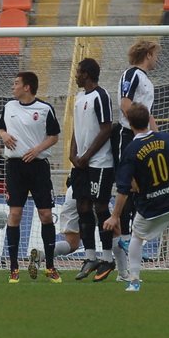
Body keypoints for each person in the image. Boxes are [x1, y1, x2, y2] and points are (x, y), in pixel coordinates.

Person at [103, 103, 169, 292]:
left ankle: (134, 281)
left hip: (150, 206)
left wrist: (115, 216)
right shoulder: (167, 139)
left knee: (137, 237)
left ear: (129, 122)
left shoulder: (131, 150)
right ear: (149, 120)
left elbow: (123, 189)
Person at [0, 71, 62, 283]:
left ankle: (50, 266)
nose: (12, 86)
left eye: (16, 83)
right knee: (15, 214)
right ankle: (14, 268)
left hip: (38, 167)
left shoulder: (44, 109)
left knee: (46, 215)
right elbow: (0, 128)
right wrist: (4, 135)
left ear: (27, 87)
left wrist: (37, 150)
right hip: (15, 167)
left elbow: (54, 136)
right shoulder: (8, 106)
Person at [68, 58, 126, 282]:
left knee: (100, 207)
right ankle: (90, 257)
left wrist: (87, 155)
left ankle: (108, 258)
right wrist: (73, 153)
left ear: (87, 74)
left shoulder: (101, 96)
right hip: (81, 163)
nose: (76, 75)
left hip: (100, 163)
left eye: (78, 72)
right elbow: (76, 128)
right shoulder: (79, 97)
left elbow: (106, 129)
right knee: (82, 206)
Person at [111, 40, 161, 252]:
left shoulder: (146, 80)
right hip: (129, 136)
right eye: (155, 54)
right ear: (148, 54)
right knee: (128, 185)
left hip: (142, 137)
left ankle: (134, 238)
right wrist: (137, 130)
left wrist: (157, 138)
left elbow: (148, 114)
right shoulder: (131, 75)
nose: (156, 59)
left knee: (141, 186)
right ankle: (123, 237)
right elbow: (125, 104)